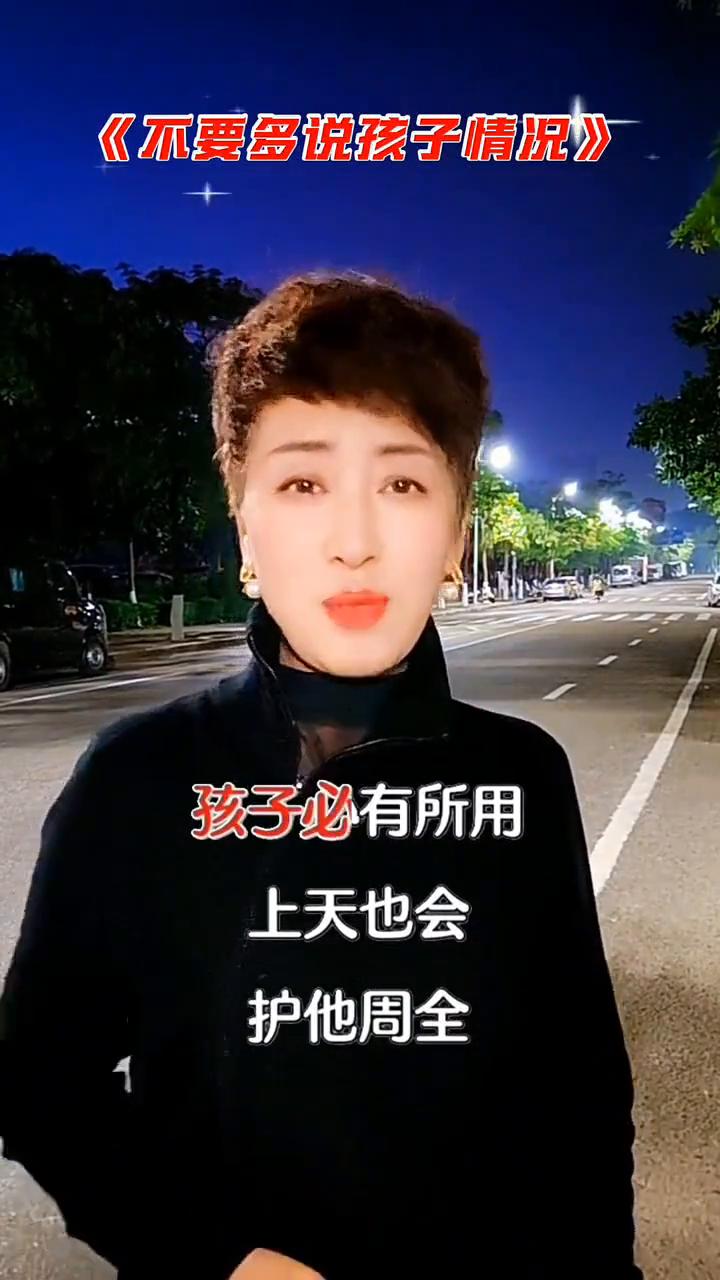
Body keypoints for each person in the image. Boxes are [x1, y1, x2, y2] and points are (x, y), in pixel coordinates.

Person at [0, 273, 642, 1279]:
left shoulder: (520, 774)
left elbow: (579, 1093)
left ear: (455, 534)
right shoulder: (140, 777)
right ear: (245, 528)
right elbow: (41, 1080)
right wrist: (215, 1254)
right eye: (303, 484)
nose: (354, 543)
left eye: (403, 484)